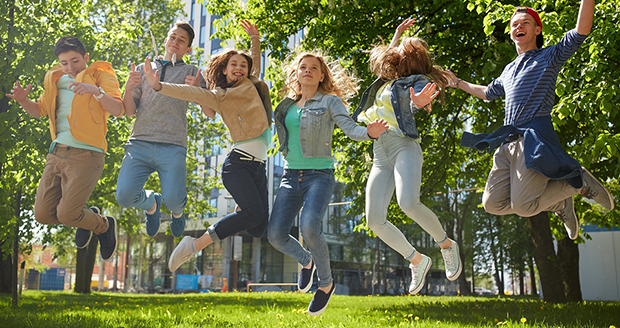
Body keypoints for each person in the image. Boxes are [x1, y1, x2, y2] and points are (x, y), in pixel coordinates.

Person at [447, 0, 613, 240]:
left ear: (537, 30)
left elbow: (580, 32)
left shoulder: (548, 56)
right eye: (515, 24)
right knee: (492, 204)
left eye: (525, 23)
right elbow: (487, 93)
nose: (519, 26)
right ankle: (559, 203)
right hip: (506, 144)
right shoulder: (508, 70)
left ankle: (578, 181)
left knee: (524, 207)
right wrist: (457, 82)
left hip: (532, 141)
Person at [141, 21, 273, 273]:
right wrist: (158, 86)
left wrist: (255, 39)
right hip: (239, 165)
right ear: (224, 70)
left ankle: (240, 208)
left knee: (258, 227)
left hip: (258, 167)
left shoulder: (252, 84)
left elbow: (254, 60)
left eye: (243, 65)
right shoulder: (218, 95)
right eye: (233, 64)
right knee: (253, 216)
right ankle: (195, 244)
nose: (239, 68)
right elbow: (188, 94)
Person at [268, 52, 388, 316]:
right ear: (296, 73)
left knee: (310, 225)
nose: (308, 71)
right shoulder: (286, 104)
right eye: (303, 67)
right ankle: (306, 260)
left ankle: (326, 284)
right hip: (290, 176)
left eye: (314, 68)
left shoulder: (330, 101)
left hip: (319, 175)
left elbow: (349, 127)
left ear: (322, 75)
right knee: (275, 235)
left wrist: (369, 132)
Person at [351, 19, 462, 296]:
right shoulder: (386, 80)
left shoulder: (417, 81)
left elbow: (413, 102)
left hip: (404, 146)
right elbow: (380, 61)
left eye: (403, 48)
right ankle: (417, 260)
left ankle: (446, 245)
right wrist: (397, 34)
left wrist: (417, 104)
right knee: (374, 219)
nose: (397, 50)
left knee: (408, 203)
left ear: (413, 58)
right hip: (380, 152)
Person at [6, 36, 123, 260]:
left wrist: (94, 91)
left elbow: (118, 109)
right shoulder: (55, 78)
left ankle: (103, 226)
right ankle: (86, 217)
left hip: (87, 154)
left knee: (67, 214)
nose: (70, 67)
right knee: (41, 214)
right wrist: (23, 101)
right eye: (64, 63)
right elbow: (39, 110)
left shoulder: (101, 74)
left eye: (75, 61)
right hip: (57, 152)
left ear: (86, 58)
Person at [116, 20, 205, 238]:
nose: (176, 42)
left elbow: (208, 109)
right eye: (173, 37)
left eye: (182, 40)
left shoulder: (191, 71)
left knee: (174, 199)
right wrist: (128, 87)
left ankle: (177, 213)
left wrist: (197, 90)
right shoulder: (141, 69)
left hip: (172, 144)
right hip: (139, 142)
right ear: (165, 40)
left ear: (188, 49)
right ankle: (151, 204)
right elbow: (129, 111)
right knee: (124, 196)